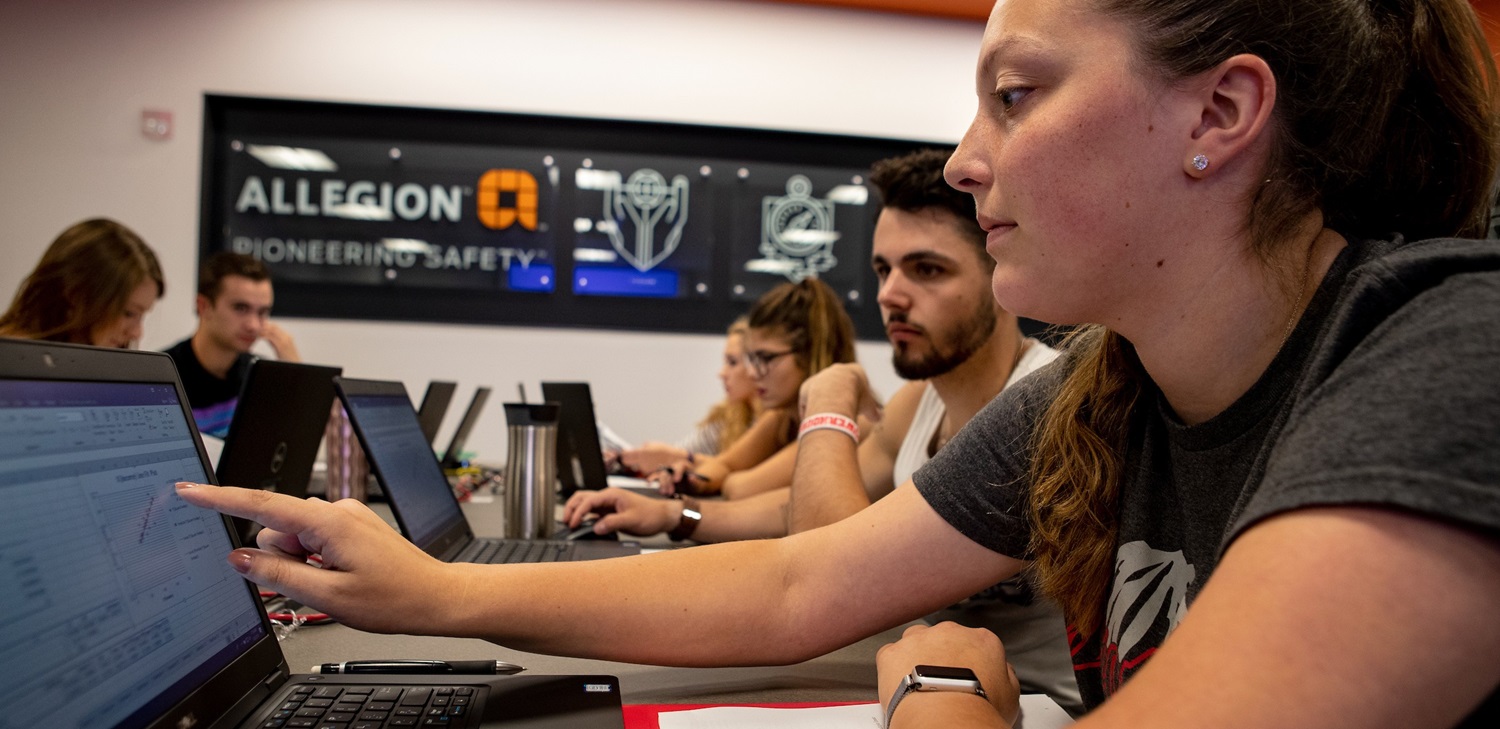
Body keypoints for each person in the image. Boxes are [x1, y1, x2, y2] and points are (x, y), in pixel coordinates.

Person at [180, 0, 1500, 726]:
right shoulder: (1107, 385)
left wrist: (939, 705)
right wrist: (433, 594)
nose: (972, 158)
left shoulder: (1451, 353)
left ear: (1219, 113)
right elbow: (806, 581)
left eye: (1016, 94)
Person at [564, 148, 1082, 714]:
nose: (890, 294)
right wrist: (676, 516)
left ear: (998, 271)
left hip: (1045, 711)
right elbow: (798, 506)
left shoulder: (1051, 402)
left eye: (927, 269)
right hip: (924, 690)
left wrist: (829, 404)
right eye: (884, 270)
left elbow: (823, 563)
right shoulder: (918, 404)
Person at [652, 277, 858, 499]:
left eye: (765, 358)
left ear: (810, 356)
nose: (752, 372)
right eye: (751, 358)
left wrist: (707, 476)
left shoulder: (844, 424)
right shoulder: (782, 417)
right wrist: (690, 477)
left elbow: (741, 487)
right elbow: (724, 465)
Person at [165, 251, 300, 438]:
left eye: (262, 312)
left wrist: (296, 373)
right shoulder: (163, 376)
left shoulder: (260, 376)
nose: (254, 325)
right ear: (203, 306)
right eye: (241, 308)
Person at [610, 317, 760, 474]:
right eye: (725, 362)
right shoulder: (730, 416)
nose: (722, 373)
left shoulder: (778, 422)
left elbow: (748, 480)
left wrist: (681, 458)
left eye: (733, 362)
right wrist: (637, 460)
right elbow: (677, 454)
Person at [0, 218, 164, 348]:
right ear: (75, 294)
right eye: (129, 313)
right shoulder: (12, 366)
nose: (137, 333)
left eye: (141, 317)